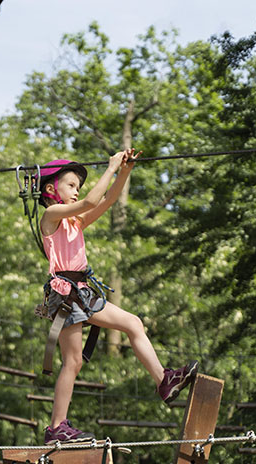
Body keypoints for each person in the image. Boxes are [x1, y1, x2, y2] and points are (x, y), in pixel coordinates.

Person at [37, 150, 198, 443]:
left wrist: (124, 171)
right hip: (66, 294)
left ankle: (164, 380)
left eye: (77, 187)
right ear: (51, 189)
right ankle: (56, 427)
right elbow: (90, 201)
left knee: (132, 325)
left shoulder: (76, 223)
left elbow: (107, 200)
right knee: (72, 362)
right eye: (71, 185)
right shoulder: (51, 216)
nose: (77, 192)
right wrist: (111, 166)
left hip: (80, 293)